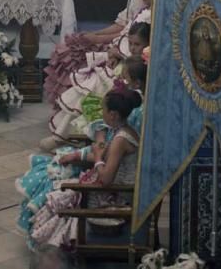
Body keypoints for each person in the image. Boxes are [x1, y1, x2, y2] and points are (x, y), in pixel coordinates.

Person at [42, 0, 149, 113]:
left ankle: (73, 110)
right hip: (119, 38)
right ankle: (65, 108)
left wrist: (96, 39)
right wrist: (94, 34)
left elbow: (126, 31)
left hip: (123, 45)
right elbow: (122, 22)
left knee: (70, 54)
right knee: (71, 45)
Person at [29, 89, 142, 249]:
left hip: (117, 196)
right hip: (111, 189)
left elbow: (106, 179)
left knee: (61, 193)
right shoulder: (121, 131)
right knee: (57, 178)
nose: (101, 113)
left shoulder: (121, 139)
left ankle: (56, 246)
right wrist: (80, 155)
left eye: (103, 109)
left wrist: (96, 158)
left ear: (113, 114)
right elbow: (103, 152)